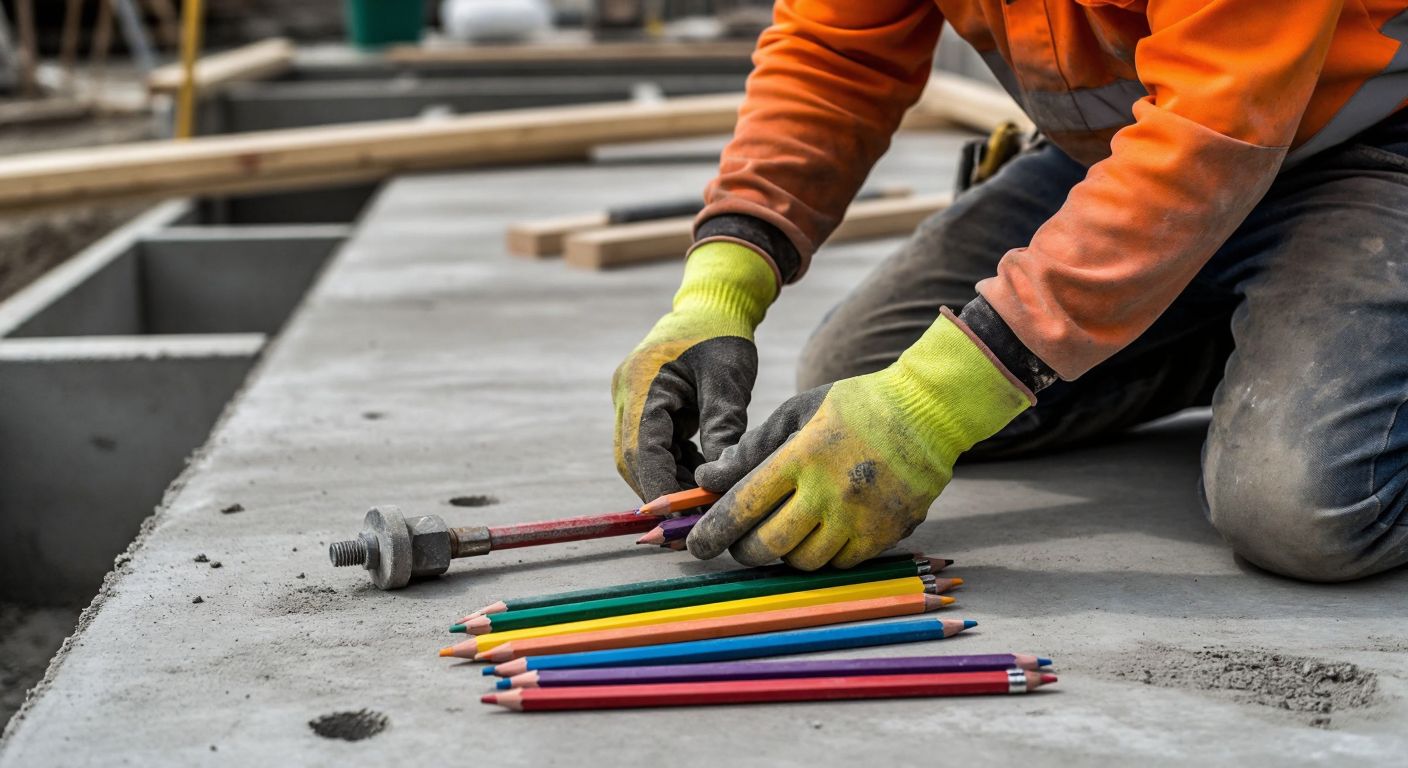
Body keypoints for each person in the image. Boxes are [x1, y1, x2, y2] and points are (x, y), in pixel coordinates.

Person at [613, 1, 1408, 583]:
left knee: (1306, 509)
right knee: (861, 369)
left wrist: (934, 401)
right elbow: (835, 54)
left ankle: (1331, 355)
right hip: (1135, 152)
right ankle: (1247, 334)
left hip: (1362, 150)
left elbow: (1210, 141)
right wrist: (718, 291)